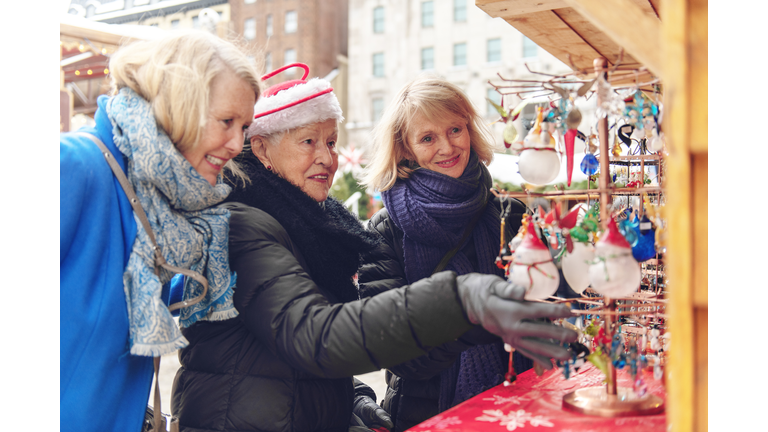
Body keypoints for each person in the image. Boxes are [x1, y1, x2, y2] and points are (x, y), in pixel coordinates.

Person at [171, 64, 578, 432]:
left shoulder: (317, 227)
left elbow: (302, 344)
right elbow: (316, 336)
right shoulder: (247, 223)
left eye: (331, 142)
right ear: (261, 150)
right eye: (308, 141)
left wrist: (352, 400)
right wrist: (466, 303)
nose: (325, 158)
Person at [60, 31, 261, 432]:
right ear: (180, 104)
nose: (239, 144)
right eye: (227, 121)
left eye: (245, 127)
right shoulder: (74, 166)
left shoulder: (172, 211)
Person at [357, 76, 545, 432]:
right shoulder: (385, 230)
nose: (447, 146)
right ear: (406, 149)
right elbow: (392, 349)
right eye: (428, 138)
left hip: (521, 404)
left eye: (455, 129)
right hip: (426, 415)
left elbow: (543, 307)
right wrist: (472, 325)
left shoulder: (510, 213)